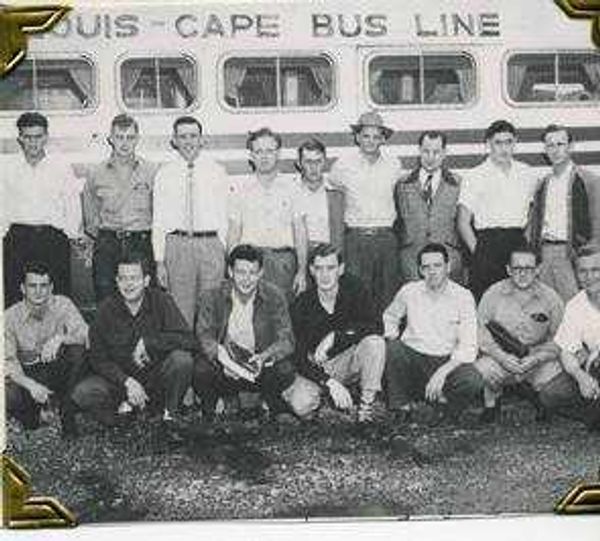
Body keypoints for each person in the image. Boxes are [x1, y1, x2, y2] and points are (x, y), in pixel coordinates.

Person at [72, 254, 197, 433]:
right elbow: (97, 358)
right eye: (123, 278)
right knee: (84, 392)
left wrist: (150, 342)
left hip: (154, 379)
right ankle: (125, 412)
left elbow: (188, 339)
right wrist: (127, 382)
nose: (128, 284)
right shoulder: (106, 309)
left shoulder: (161, 301)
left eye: (134, 278)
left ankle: (169, 413)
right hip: (120, 381)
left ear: (146, 280)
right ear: (116, 280)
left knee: (182, 360)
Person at [192, 244, 299, 420]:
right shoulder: (212, 296)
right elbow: (204, 336)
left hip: (258, 364)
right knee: (200, 370)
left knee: (285, 370)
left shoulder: (275, 296)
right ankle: (216, 403)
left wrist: (265, 356)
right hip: (224, 365)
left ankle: (268, 401)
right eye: (241, 272)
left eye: (252, 272)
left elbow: (287, 339)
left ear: (261, 273)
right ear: (230, 271)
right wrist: (224, 361)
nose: (247, 279)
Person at [383, 243, 484, 423]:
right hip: (414, 358)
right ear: (420, 270)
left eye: (437, 265)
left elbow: (469, 344)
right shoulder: (409, 291)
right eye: (426, 267)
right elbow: (390, 317)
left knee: (473, 379)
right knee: (393, 348)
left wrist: (442, 372)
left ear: (448, 267)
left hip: (446, 360)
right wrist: (392, 335)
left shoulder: (463, 296)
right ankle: (402, 407)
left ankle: (448, 410)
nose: (432, 272)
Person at [152, 116, 234, 327]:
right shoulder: (164, 174)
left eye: (193, 136)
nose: (188, 141)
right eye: (182, 137)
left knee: (211, 308)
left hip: (210, 245)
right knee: (180, 311)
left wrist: (223, 250)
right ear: (174, 140)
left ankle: (211, 358)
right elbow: (158, 220)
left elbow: (226, 216)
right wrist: (160, 260)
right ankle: (184, 357)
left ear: (201, 140)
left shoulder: (217, 172)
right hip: (177, 245)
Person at [290, 244, 386, 423]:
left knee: (375, 343)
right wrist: (329, 382)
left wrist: (336, 336)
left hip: (347, 361)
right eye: (319, 268)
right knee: (301, 405)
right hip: (317, 368)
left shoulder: (355, 289)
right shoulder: (302, 304)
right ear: (311, 270)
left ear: (340, 269)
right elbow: (298, 357)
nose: (325, 275)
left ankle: (366, 408)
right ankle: (329, 403)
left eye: (330, 268)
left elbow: (376, 326)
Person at [474, 245, 565, 422]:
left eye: (528, 268)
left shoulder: (551, 297)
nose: (522, 274)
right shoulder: (493, 294)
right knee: (481, 370)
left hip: (536, 356)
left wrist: (537, 358)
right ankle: (492, 402)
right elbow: (481, 333)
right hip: (503, 357)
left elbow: (560, 338)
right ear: (508, 269)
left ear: (538, 269)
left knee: (557, 374)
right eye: (517, 268)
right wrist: (501, 357)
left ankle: (538, 396)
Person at [2, 112, 83, 307]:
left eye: (38, 136)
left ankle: (58, 338)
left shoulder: (61, 167)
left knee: (58, 296)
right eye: (28, 137)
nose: (33, 143)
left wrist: (71, 235)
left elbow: (72, 204)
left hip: (52, 240)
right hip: (18, 239)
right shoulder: (7, 168)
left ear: (46, 137)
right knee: (15, 296)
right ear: (20, 138)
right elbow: (2, 205)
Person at [329, 111, 404, 315]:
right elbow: (333, 194)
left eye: (376, 136)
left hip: (385, 238)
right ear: (357, 137)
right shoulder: (342, 166)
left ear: (383, 139)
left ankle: (385, 341)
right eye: (366, 135)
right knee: (356, 294)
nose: (370, 141)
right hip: (356, 238)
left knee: (387, 294)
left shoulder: (394, 165)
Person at [458, 120, 540, 300]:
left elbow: (533, 212)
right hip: (487, 244)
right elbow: (463, 222)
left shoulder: (527, 173)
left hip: (517, 243)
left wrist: (525, 243)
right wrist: (479, 252)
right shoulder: (474, 175)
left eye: (509, 142)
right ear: (488, 144)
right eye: (498, 143)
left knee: (520, 300)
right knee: (487, 302)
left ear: (515, 143)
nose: (504, 148)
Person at [4, 262, 88, 438]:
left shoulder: (63, 304)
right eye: (32, 286)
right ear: (22, 288)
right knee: (8, 394)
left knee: (77, 351)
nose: (38, 291)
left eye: (43, 286)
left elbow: (86, 335)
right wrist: (32, 386)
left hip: (54, 369)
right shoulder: (9, 317)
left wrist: (60, 338)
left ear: (51, 287)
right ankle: (32, 413)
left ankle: (66, 409)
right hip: (26, 375)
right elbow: (8, 362)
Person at [82, 114, 159, 302]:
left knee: (144, 300)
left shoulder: (152, 171)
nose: (125, 143)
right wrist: (99, 238)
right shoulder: (96, 173)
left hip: (141, 242)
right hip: (108, 243)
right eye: (119, 137)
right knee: (107, 298)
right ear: (111, 139)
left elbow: (159, 210)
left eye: (130, 137)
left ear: (138, 139)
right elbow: (90, 211)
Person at [228, 128, 307, 299]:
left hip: (283, 263)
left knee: (282, 316)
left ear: (278, 154)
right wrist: (232, 270)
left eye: (269, 151)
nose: (264, 156)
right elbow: (234, 232)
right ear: (251, 156)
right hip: (249, 264)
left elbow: (300, 230)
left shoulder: (294, 187)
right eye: (258, 151)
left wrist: (301, 271)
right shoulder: (240, 189)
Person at [527, 124, 593, 301]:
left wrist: (586, 258)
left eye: (560, 144)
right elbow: (535, 224)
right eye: (550, 145)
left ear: (570, 146)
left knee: (575, 305)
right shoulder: (543, 183)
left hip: (570, 254)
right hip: (545, 252)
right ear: (545, 150)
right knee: (548, 306)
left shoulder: (587, 180)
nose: (555, 150)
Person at [540, 245, 600, 431]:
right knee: (550, 394)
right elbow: (566, 350)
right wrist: (580, 376)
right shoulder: (575, 304)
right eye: (583, 271)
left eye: (595, 270)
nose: (589, 277)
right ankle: (593, 413)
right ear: (576, 274)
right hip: (593, 367)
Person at [394, 130, 463, 283]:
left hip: (448, 259)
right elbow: (398, 222)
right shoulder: (403, 184)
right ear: (419, 151)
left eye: (436, 152)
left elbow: (463, 224)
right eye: (426, 151)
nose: (430, 157)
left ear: (444, 153)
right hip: (412, 261)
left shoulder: (458, 184)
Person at [294, 138, 344, 251]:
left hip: (328, 258)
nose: (313, 167)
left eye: (318, 161)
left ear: (325, 162)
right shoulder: (290, 192)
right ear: (299, 163)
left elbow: (340, 234)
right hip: (298, 255)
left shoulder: (337, 192)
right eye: (308, 162)